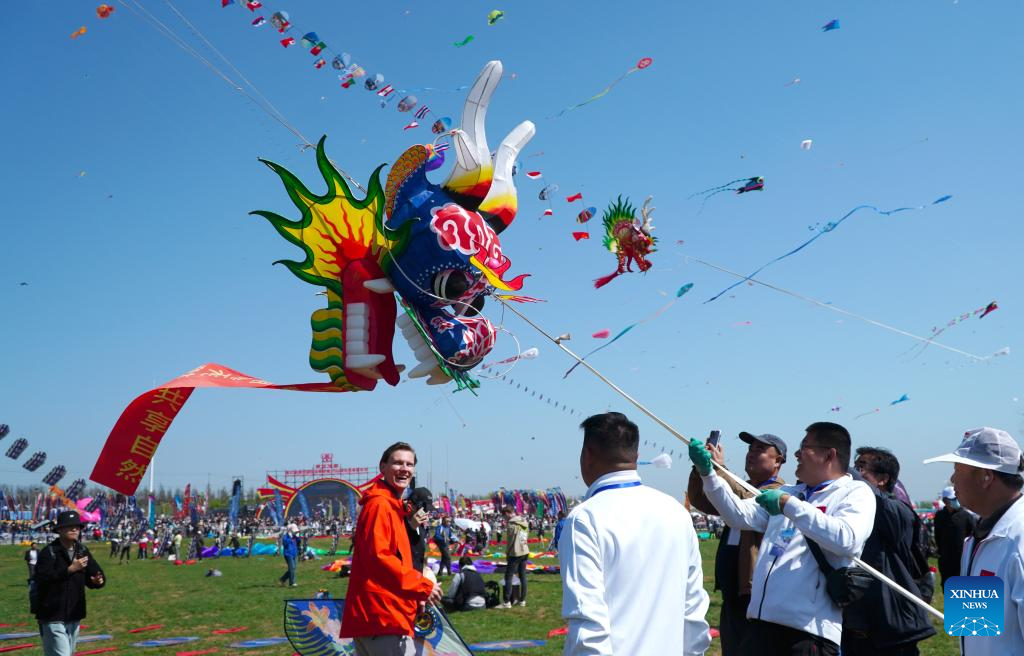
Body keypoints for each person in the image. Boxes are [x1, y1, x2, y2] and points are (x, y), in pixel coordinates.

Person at [689, 421, 875, 656]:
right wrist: (708, 474)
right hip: (760, 625)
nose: (797, 453)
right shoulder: (790, 492)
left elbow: (846, 539)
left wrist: (790, 505)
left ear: (829, 454)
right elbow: (737, 515)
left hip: (807, 632)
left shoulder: (855, 492)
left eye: (805, 446)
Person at [561, 412, 711, 655]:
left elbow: (587, 622)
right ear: (636, 457)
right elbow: (693, 611)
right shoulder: (675, 510)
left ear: (587, 455)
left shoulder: (585, 518)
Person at [924, 427, 1024, 655]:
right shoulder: (977, 538)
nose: (951, 479)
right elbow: (977, 628)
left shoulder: (1018, 539)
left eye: (957, 469)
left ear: (986, 476)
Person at [686, 432, 787, 656]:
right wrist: (700, 469)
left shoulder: (778, 492)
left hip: (756, 594)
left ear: (778, 461)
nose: (751, 454)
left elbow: (746, 499)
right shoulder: (739, 486)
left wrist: (716, 470)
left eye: (760, 450)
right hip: (733, 592)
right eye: (750, 449)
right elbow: (701, 499)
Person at [340, 442, 442, 656]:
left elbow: (400, 559)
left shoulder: (392, 506)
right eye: (397, 463)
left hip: (386, 616)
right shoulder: (380, 505)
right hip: (383, 617)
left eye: (409, 464)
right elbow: (380, 559)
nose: (404, 468)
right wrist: (422, 586)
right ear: (382, 467)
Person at [841, 447, 935, 655]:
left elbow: (882, 505)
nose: (853, 473)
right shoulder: (851, 512)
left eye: (861, 467)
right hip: (855, 628)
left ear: (883, 479)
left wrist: (850, 476)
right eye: (855, 467)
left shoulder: (896, 510)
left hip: (891, 630)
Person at [33, 511, 106, 656]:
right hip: (52, 615)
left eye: (77, 527)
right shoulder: (49, 552)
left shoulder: (82, 550)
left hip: (74, 613)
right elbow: (42, 578)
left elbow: (95, 574)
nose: (74, 529)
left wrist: (98, 580)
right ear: (59, 530)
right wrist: (70, 570)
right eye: (69, 526)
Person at [932, 485, 977, 589]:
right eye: (953, 499)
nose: (956, 500)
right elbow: (937, 536)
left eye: (957, 498)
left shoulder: (966, 516)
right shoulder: (939, 516)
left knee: (962, 588)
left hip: (962, 559)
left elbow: (974, 536)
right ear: (945, 501)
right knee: (947, 587)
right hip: (946, 559)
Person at [497, 506, 529, 609]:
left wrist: (507, 552)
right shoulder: (523, 521)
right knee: (522, 575)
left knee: (508, 576)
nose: (504, 518)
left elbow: (510, 542)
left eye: (504, 515)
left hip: (515, 553)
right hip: (524, 550)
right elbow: (525, 537)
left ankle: (507, 601)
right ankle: (522, 600)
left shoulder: (511, 524)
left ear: (507, 513)